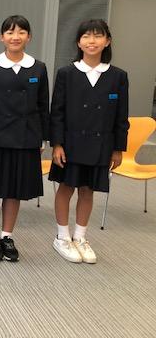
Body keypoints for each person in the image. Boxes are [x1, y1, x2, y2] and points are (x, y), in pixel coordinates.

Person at [0, 15, 49, 262]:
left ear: (29, 37)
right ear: (1, 37)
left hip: (26, 139)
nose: (16, 37)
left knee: (15, 190)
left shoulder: (38, 68)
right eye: (10, 32)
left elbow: (42, 106)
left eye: (21, 32)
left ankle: (7, 235)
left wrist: (43, 138)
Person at [50, 19, 129, 264]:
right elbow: (57, 112)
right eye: (86, 36)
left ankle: (80, 237)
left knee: (88, 190)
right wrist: (57, 144)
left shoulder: (118, 76)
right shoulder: (66, 73)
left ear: (107, 41)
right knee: (66, 188)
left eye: (97, 36)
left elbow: (121, 116)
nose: (91, 41)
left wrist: (118, 149)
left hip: (101, 144)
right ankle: (62, 236)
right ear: (78, 42)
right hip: (70, 143)